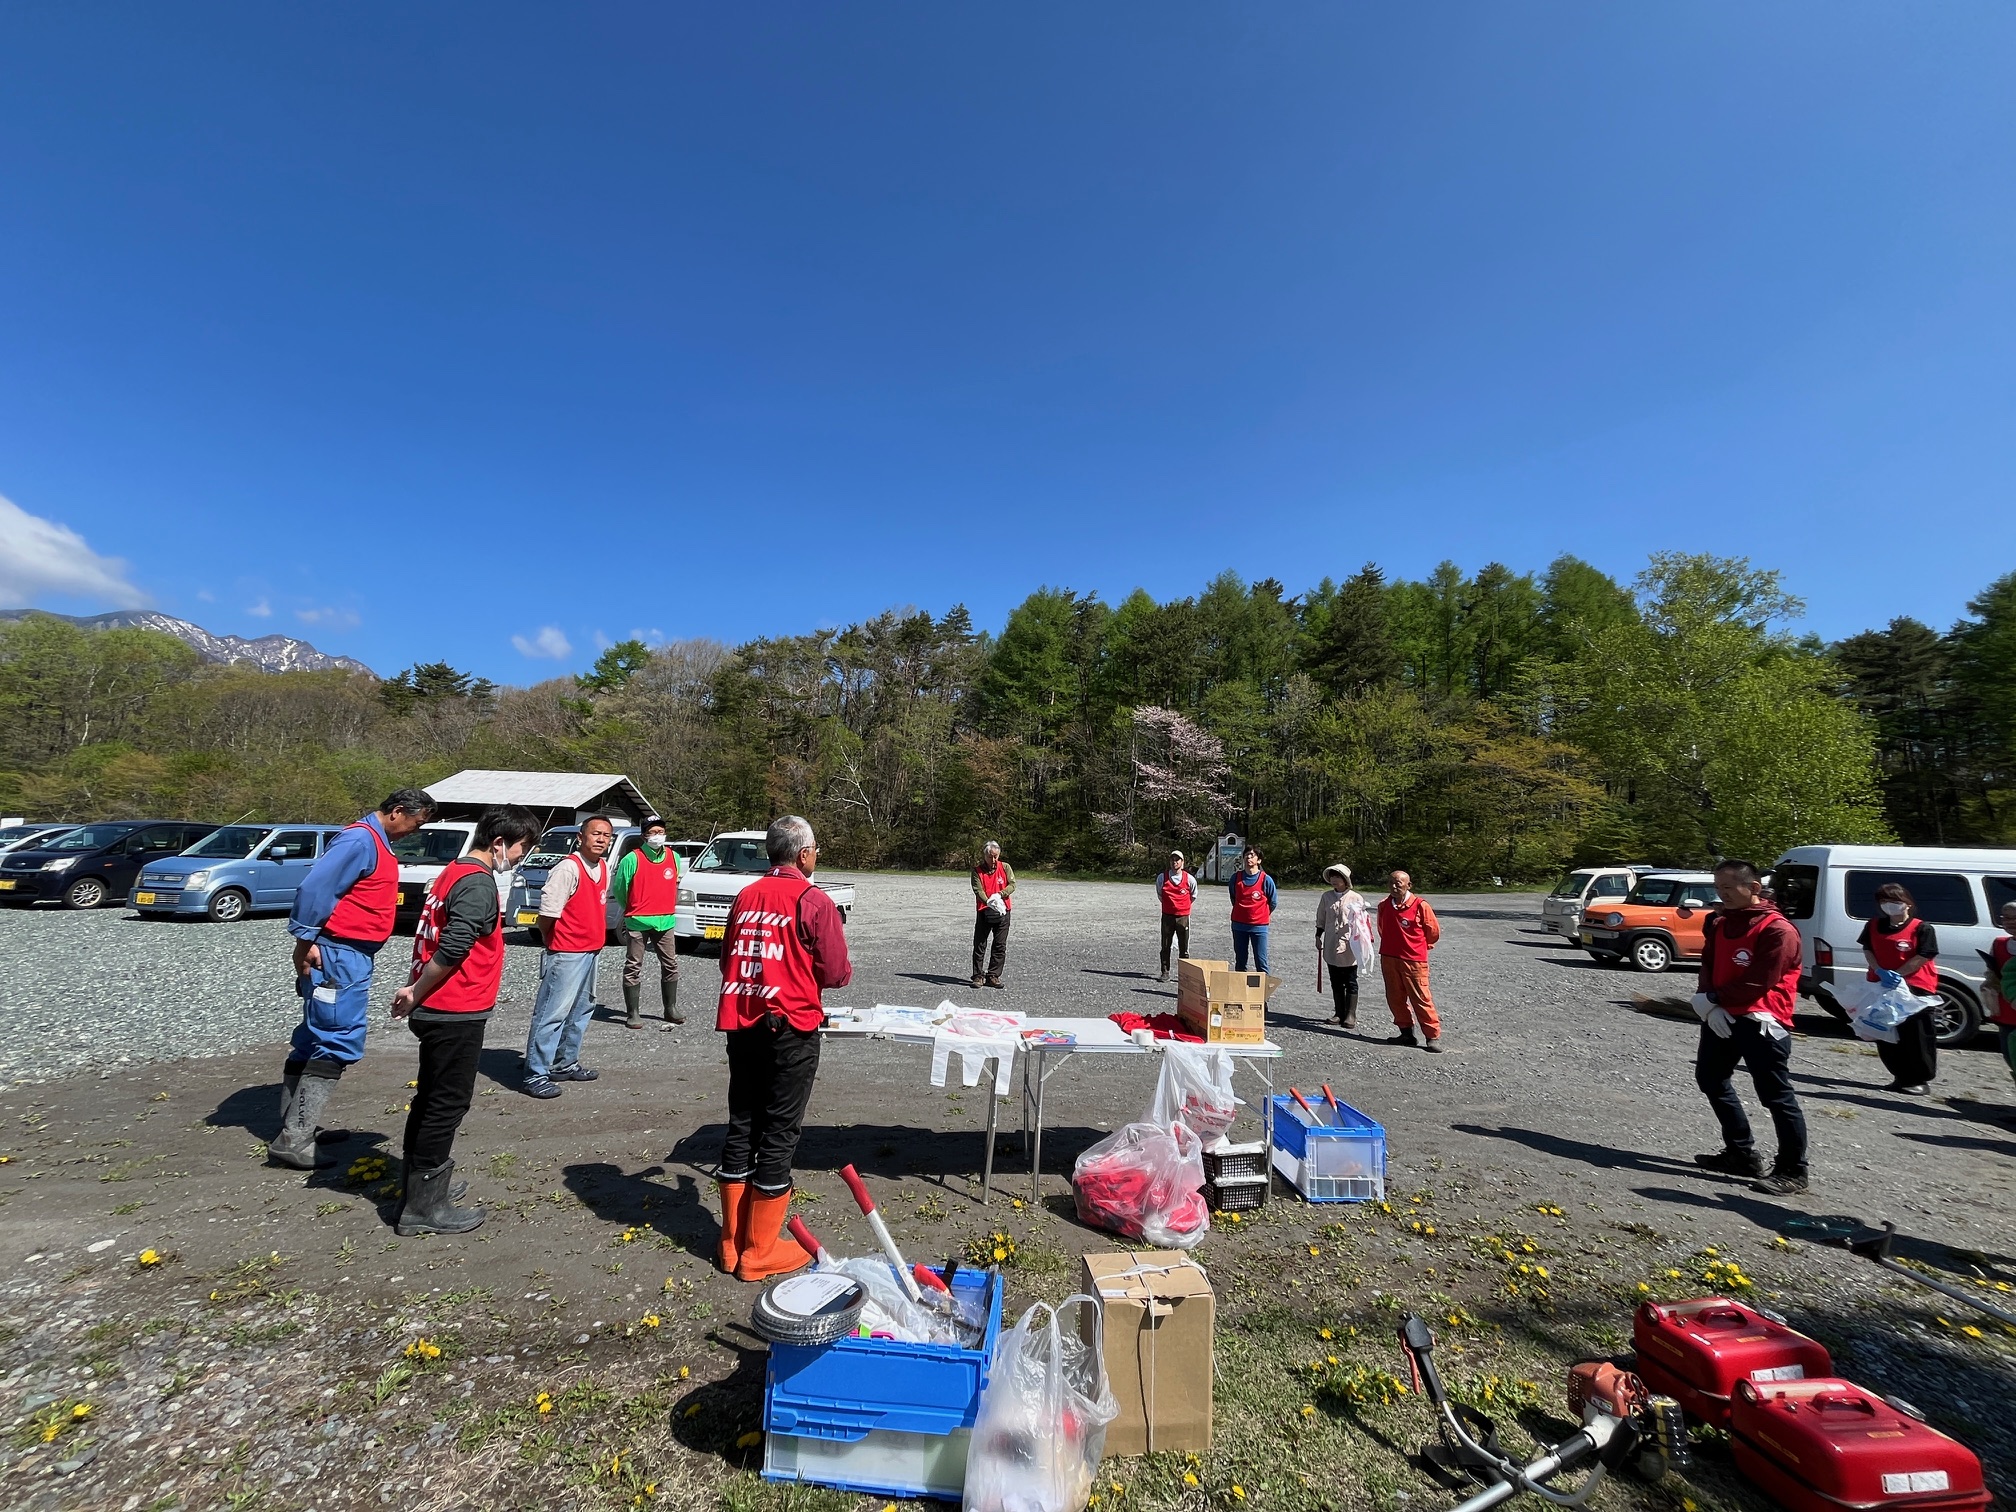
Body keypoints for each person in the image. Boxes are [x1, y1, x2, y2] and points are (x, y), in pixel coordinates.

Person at [389, 805, 540, 1235]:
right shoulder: (477, 883)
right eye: (521, 850)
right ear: (499, 843)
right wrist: (416, 992)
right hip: (454, 1009)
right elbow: (453, 947)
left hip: (438, 1006)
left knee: (430, 1100)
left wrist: (415, 989)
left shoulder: (451, 872)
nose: (520, 858)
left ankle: (425, 1186)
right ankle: (422, 1207)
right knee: (445, 1104)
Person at [269, 787, 438, 1169]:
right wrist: (305, 939)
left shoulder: (373, 841)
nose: (414, 831)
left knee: (314, 1036)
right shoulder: (361, 841)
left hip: (347, 953)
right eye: (415, 823)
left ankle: (296, 1125)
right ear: (397, 811)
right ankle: (294, 1136)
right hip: (339, 954)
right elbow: (316, 887)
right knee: (337, 1037)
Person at [715, 815, 852, 1282]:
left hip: (742, 1022)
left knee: (742, 1124)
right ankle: (760, 1250)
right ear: (805, 854)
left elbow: (727, 957)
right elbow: (835, 972)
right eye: (816, 850)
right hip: (790, 1026)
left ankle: (731, 1243)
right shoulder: (813, 900)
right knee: (779, 1131)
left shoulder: (745, 896)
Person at [1692, 858, 1809, 1196]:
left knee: (1776, 1095)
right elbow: (1709, 963)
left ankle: (1793, 1169)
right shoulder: (1719, 923)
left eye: (1727, 888)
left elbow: (1760, 980)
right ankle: (1741, 1153)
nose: (1721, 894)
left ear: (1754, 888)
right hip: (1723, 1015)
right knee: (1711, 1078)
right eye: (1717, 888)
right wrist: (1706, 997)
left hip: (1762, 1021)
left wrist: (1713, 998)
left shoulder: (1778, 930)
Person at [521, 813, 614, 1098]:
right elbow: (547, 915)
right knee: (552, 1012)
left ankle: (564, 1062)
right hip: (567, 951)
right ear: (581, 837)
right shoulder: (568, 869)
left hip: (591, 950)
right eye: (595, 833)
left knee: (582, 1009)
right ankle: (536, 1073)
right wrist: (554, 942)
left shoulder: (604, 867)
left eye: (606, 835)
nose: (600, 839)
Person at [1858, 882, 1940, 1096]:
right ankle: (1900, 1075)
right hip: (1881, 986)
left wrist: (1899, 974)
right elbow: (1868, 949)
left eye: (1895, 901)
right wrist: (1880, 970)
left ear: (1907, 904)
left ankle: (1919, 1078)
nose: (1889, 906)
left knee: (1916, 1035)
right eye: (1884, 902)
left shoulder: (1922, 928)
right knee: (1886, 1032)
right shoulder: (1874, 925)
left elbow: (1924, 955)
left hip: (1915, 989)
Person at [615, 816, 683, 1031]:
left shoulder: (674, 857)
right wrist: (633, 908)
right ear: (644, 835)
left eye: (660, 831)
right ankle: (633, 1012)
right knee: (633, 966)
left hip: (666, 920)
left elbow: (675, 883)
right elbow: (619, 889)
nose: (658, 836)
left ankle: (670, 1008)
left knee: (671, 965)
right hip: (637, 921)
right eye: (653, 832)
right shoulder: (631, 859)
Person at [1376, 869, 1443, 1050]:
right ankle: (1406, 1033)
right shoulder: (1384, 905)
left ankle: (1432, 1036)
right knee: (1395, 997)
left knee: (1421, 997)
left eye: (1399, 882)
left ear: (1409, 885)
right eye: (1391, 882)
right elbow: (1381, 928)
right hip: (1389, 957)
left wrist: (1417, 946)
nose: (1394, 886)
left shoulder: (1421, 905)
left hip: (1414, 960)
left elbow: (1433, 932)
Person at [1315, 863, 1377, 1029]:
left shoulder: (1356, 898)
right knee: (1335, 980)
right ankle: (1339, 1012)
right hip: (1330, 943)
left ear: (1345, 880)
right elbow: (1321, 917)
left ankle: (1351, 1014)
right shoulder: (1326, 897)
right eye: (1332, 877)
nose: (1334, 880)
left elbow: (1363, 923)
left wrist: (1365, 942)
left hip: (1350, 944)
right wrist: (1318, 936)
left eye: (1338, 877)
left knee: (1350, 980)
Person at [970, 841, 1015, 989]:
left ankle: (993, 975)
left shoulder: (1005, 867)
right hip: (985, 910)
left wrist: (1000, 894)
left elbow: (1012, 884)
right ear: (985, 856)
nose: (994, 860)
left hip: (1003, 911)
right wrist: (989, 901)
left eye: (996, 857)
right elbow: (978, 889)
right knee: (980, 944)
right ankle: (977, 976)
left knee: (1000, 945)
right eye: (991, 857)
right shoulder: (977, 871)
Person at [1228, 846, 1276, 973]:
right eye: (1247, 855)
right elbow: (1234, 898)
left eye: (1252, 855)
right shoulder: (1235, 878)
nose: (1248, 857)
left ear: (1259, 860)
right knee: (1240, 961)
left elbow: (1273, 902)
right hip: (1239, 925)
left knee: (1261, 961)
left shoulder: (1266, 880)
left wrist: (1260, 914)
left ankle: (1264, 991)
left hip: (1259, 927)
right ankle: (1241, 991)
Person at [1154, 850, 1198, 981]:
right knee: (1166, 945)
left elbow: (1193, 895)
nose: (1175, 862)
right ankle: (1165, 971)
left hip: (1183, 917)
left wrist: (1183, 907)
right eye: (1172, 859)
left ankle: (1184, 974)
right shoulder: (1162, 877)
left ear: (1182, 862)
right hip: (1167, 916)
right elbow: (1160, 894)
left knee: (1184, 946)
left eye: (1177, 860)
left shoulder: (1189, 879)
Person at [1986, 900, 2016, 1092]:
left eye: (2015, 918)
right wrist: (1989, 985)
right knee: (2011, 1058)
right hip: (2005, 1011)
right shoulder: (2000, 944)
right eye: (2006, 918)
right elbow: (1991, 974)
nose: (2010, 922)